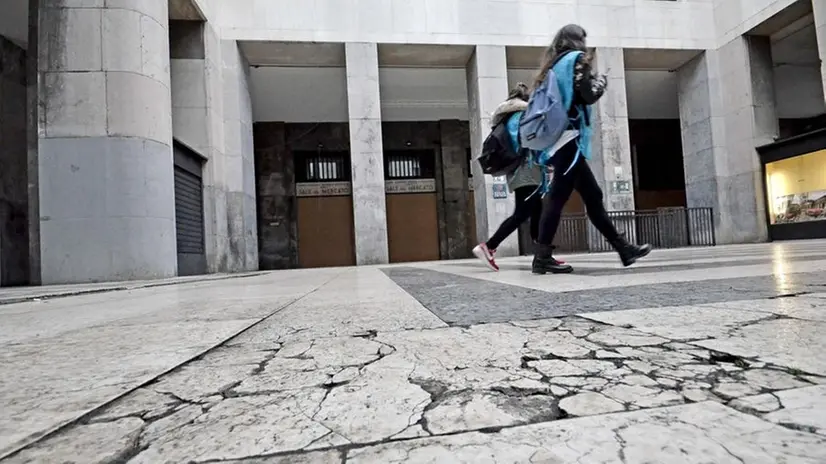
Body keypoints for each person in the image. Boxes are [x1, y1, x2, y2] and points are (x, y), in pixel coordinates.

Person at [530, 24, 651, 274]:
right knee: (558, 199)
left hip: (559, 140)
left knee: (592, 195)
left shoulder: (552, 65)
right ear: (576, 40)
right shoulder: (576, 59)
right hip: (569, 139)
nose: (585, 42)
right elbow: (586, 95)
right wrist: (601, 83)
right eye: (583, 37)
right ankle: (542, 257)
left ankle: (623, 248)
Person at [472, 83, 565, 271]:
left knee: (537, 212)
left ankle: (543, 256)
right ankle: (489, 246)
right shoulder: (521, 116)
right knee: (522, 213)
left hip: (523, 171)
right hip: (527, 170)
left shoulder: (507, 119)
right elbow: (532, 142)